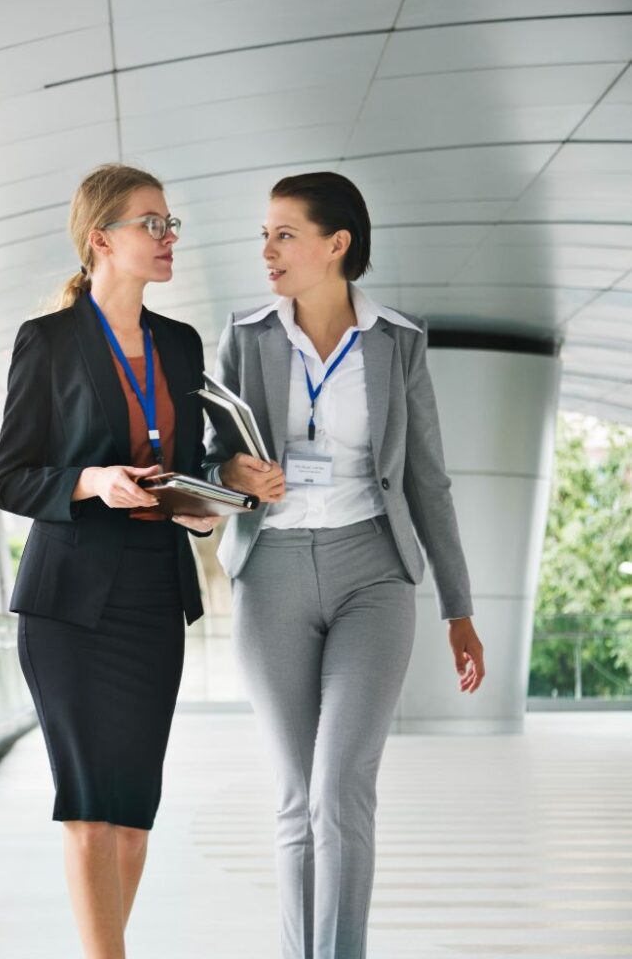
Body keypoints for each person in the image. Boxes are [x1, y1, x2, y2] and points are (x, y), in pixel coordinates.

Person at [203, 171, 485, 959]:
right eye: (263, 234)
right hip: (273, 571)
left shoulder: (398, 340)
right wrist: (235, 475)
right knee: (297, 798)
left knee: (340, 791)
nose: (267, 250)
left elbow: (427, 479)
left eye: (284, 234)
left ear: (337, 245)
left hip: (374, 572)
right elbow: (210, 457)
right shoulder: (246, 334)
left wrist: (458, 608)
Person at [0, 163, 220, 959]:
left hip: (154, 599)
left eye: (169, 224)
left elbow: (188, 465)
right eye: (150, 224)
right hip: (69, 608)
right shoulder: (47, 342)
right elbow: (11, 477)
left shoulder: (181, 346)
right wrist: (92, 481)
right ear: (102, 240)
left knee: (132, 815)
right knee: (89, 806)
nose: (168, 238)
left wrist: (215, 494)